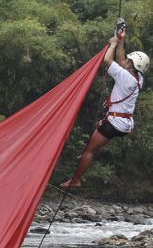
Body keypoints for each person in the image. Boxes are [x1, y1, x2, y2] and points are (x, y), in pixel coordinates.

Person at [61, 29, 148, 188]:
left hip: (114, 123)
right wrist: (121, 41)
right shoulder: (138, 78)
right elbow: (121, 61)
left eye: (129, 61)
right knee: (92, 148)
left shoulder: (125, 77)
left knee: (89, 150)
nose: (125, 61)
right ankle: (77, 176)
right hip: (124, 124)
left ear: (132, 65)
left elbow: (107, 59)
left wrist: (113, 44)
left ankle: (75, 180)